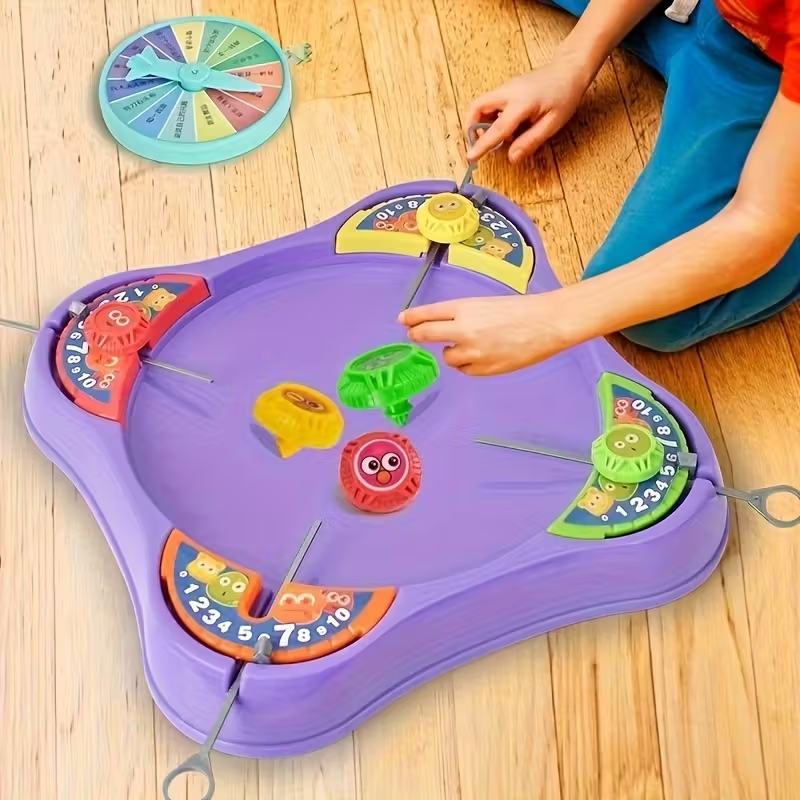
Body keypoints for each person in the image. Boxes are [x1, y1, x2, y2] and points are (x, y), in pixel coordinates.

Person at [398, 0, 800, 375]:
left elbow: (758, 218)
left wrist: (550, 318)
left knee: (650, 311)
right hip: (719, 18)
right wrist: (571, 64)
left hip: (768, 84)